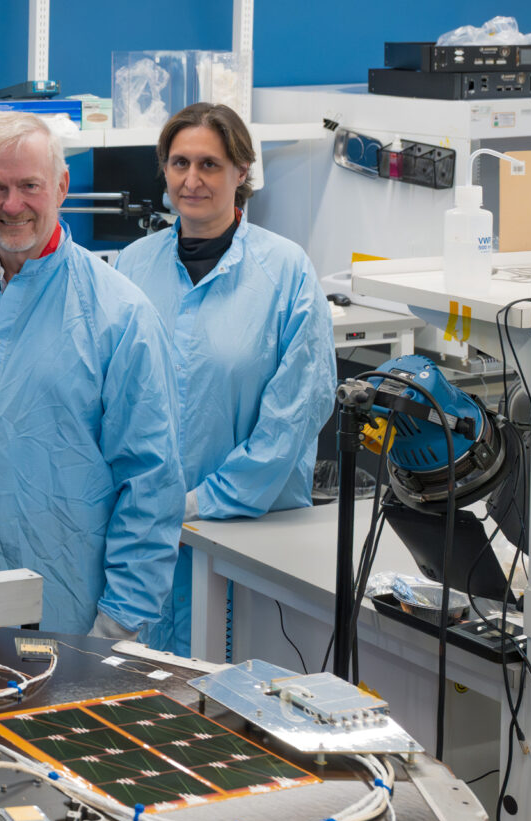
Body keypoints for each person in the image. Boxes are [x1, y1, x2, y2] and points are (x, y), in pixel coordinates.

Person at [0, 111, 185, 637]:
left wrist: (116, 628)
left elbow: (150, 487)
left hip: (68, 617)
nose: (12, 205)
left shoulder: (120, 318)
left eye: (30, 185)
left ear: (61, 187)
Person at [113, 103, 333, 654]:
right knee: (150, 680)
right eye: (179, 163)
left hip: (250, 538)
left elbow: (293, 417)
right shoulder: (132, 266)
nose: (192, 180)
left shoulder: (286, 271)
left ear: (242, 172)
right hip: (146, 535)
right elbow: (109, 398)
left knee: (239, 682)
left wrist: (201, 500)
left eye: (209, 164)